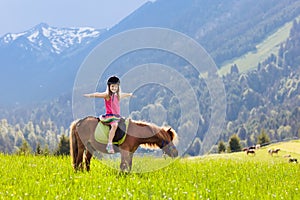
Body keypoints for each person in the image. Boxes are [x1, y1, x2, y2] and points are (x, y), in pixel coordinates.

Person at [84, 76, 132, 153]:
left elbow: (123, 94)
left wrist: (129, 94)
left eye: (116, 87)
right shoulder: (107, 96)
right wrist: (90, 95)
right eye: (112, 86)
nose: (114, 88)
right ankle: (109, 144)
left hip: (117, 116)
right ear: (109, 86)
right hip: (110, 116)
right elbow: (98, 94)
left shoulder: (117, 96)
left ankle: (121, 142)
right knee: (114, 125)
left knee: (125, 124)